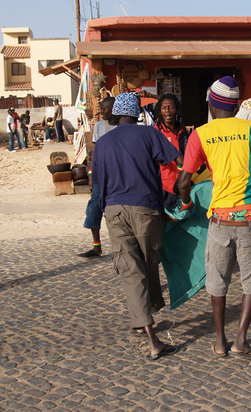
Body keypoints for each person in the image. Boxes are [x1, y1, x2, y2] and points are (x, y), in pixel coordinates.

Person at [178, 76, 251, 358]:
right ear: (234, 105)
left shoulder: (200, 135)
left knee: (218, 282)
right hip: (249, 221)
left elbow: (184, 182)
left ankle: (220, 341)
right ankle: (241, 339)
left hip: (219, 220)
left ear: (211, 102)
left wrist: (185, 204)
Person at [92, 92, 183, 360]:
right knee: (148, 263)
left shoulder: (104, 142)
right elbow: (179, 162)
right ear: (138, 114)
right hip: (145, 209)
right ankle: (152, 337)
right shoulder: (150, 134)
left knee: (131, 271)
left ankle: (145, 313)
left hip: (114, 211)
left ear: (117, 114)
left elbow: (96, 184)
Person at [78, 97, 117, 258]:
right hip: (101, 174)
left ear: (114, 108)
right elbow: (94, 153)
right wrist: (90, 174)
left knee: (115, 210)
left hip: (118, 174)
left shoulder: (124, 125)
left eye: (104, 109)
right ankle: (96, 246)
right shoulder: (100, 126)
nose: (101, 112)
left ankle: (119, 246)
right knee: (94, 207)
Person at [154, 93, 189, 209]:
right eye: (164, 108)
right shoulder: (155, 132)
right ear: (160, 111)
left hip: (183, 184)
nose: (167, 111)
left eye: (171, 107)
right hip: (164, 187)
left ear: (177, 111)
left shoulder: (183, 131)